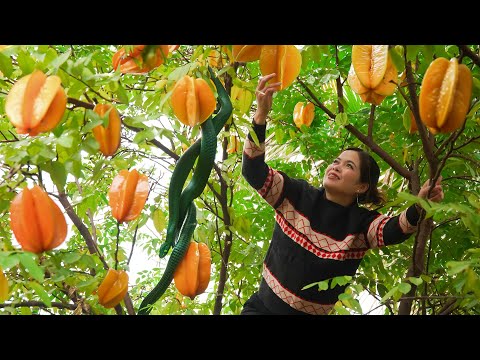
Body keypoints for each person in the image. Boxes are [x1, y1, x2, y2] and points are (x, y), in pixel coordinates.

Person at [240, 73, 444, 315]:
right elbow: (253, 171)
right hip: (261, 310)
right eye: (336, 161)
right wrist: (260, 116)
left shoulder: (360, 225)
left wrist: (419, 205)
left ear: (361, 187)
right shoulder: (295, 194)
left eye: (349, 166)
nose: (336, 166)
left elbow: (394, 229)